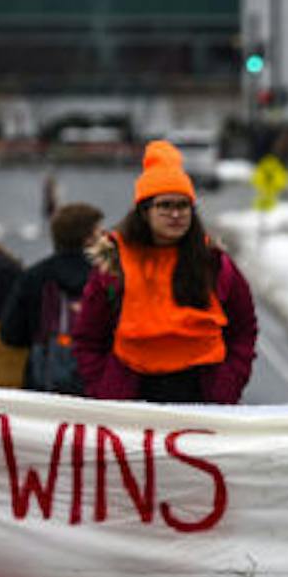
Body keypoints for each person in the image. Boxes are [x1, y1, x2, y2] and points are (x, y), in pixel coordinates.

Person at [74, 143, 256, 404]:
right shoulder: (114, 265)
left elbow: (244, 330)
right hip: (131, 402)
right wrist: (104, 389)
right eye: (165, 205)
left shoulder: (214, 264)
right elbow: (88, 338)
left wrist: (229, 384)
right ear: (144, 212)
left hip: (203, 399)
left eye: (184, 206)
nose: (176, 214)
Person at [0, 201, 103, 394]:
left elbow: (9, 334)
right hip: (93, 387)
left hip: (44, 386)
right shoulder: (105, 279)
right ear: (88, 239)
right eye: (99, 233)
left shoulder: (33, 276)